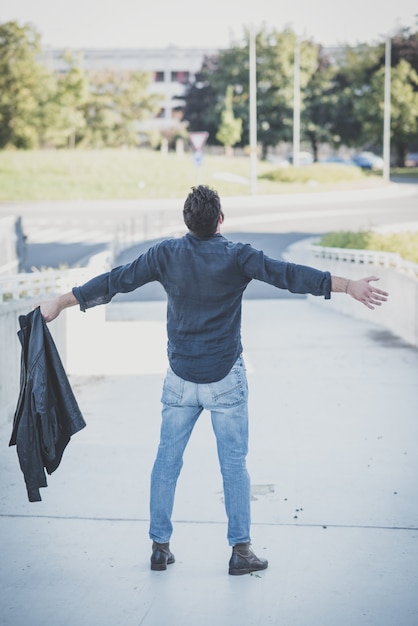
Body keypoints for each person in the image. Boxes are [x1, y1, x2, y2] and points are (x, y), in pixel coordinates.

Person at [38, 185, 388, 576]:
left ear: (187, 220)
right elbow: (289, 275)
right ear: (220, 219)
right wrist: (347, 286)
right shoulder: (238, 256)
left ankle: (159, 548)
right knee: (234, 466)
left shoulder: (165, 254)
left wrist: (60, 301)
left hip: (180, 379)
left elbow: (114, 281)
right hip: (226, 380)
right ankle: (241, 552)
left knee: (166, 463)